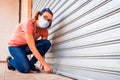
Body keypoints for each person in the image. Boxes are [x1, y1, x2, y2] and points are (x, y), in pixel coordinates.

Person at [7, 8, 53, 73]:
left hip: (26, 47)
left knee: (46, 43)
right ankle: (10, 61)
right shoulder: (28, 23)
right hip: (15, 46)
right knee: (25, 69)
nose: (46, 21)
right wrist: (45, 64)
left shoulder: (44, 31)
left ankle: (31, 64)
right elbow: (32, 47)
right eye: (45, 17)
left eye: (49, 20)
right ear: (39, 15)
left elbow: (43, 49)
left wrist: (42, 63)